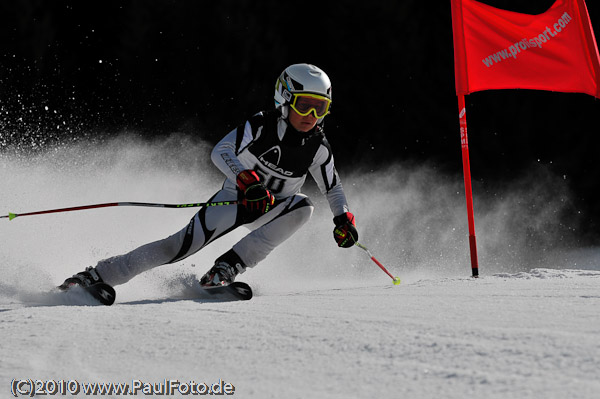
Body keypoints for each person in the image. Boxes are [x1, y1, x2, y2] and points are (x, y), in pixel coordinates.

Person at [59, 63, 358, 293]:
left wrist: (343, 219)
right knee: (175, 248)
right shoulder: (262, 125)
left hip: (273, 209)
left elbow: (333, 189)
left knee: (305, 207)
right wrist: (246, 181)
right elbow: (222, 151)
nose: (311, 115)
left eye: (320, 107)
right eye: (304, 104)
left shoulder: (318, 146)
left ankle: (226, 268)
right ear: (285, 98)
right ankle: (95, 276)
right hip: (235, 200)